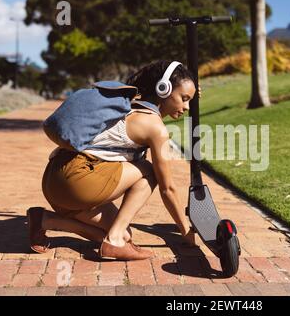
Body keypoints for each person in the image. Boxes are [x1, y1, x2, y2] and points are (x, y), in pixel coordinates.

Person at [28, 60, 198, 261]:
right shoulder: (155, 128)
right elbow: (167, 188)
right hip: (76, 181)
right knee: (149, 170)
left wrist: (190, 90)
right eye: (184, 98)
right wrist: (186, 230)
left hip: (54, 180)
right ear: (164, 89)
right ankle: (114, 240)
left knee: (126, 235)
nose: (187, 107)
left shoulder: (127, 104)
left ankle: (45, 220)